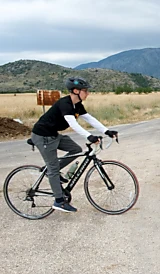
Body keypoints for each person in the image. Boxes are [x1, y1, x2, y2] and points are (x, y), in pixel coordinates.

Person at [31, 77, 118, 212]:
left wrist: (107, 131)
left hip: (53, 134)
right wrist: (89, 136)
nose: (87, 93)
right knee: (54, 170)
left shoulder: (77, 104)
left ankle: (50, 171)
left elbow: (90, 118)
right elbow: (73, 124)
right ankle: (59, 201)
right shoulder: (65, 104)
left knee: (75, 149)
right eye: (85, 91)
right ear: (76, 91)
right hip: (42, 137)